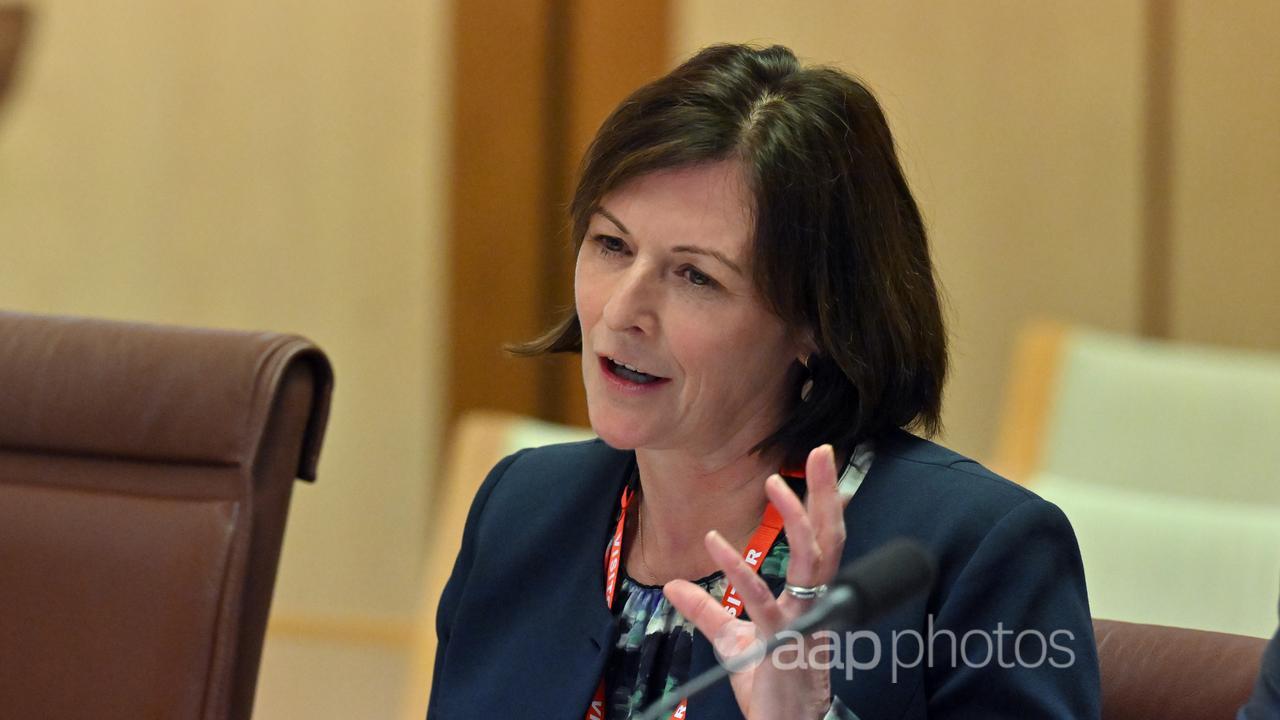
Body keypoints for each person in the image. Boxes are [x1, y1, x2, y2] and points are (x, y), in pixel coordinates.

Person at [428, 43, 1099, 719]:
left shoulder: (973, 554)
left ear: (816, 320)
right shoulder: (522, 511)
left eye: (696, 276)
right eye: (612, 245)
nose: (623, 311)